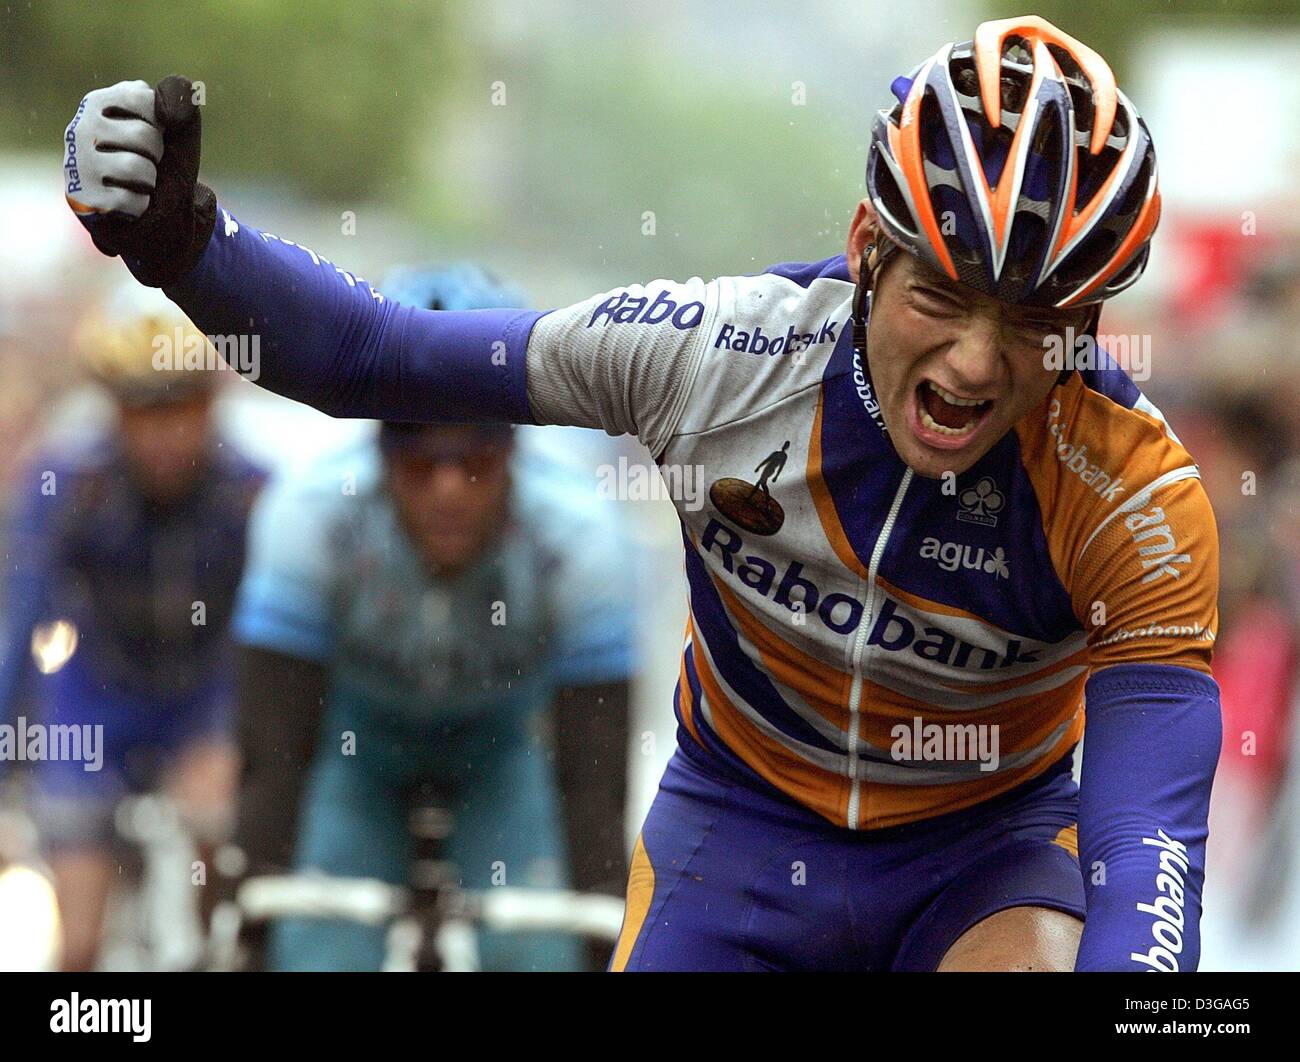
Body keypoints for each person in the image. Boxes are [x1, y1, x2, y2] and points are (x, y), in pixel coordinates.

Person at [61, 14, 1221, 971]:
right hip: (742, 831)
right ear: (869, 243)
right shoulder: (710, 356)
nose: (975, 361)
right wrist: (181, 247)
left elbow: (1147, 844)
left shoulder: (1133, 496)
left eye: (1032, 323)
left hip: (983, 857)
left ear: (1089, 323)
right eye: (940, 294)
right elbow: (377, 358)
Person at [227, 265, 636, 971]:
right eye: (418, 462)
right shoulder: (309, 517)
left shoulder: (581, 539)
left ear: (514, 450)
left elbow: (593, 774)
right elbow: (275, 748)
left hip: (500, 757)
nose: (448, 489)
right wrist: (254, 893)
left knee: (537, 951)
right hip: (360, 756)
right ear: (379, 453)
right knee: (317, 954)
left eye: (475, 459)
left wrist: (600, 910)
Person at [0, 290, 264, 970]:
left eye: (183, 408)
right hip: (96, 700)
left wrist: (249, 747)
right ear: (113, 411)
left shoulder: (253, 492)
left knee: (226, 898)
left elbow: (273, 640)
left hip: (206, 699)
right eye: (142, 411)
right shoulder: (67, 483)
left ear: (213, 406)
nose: (164, 433)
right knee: (80, 939)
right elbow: (20, 624)